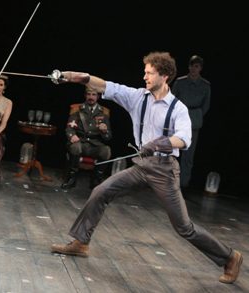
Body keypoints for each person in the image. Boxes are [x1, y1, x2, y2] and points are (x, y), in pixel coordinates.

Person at [49, 52, 242, 284]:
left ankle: (230, 257)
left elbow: (184, 139)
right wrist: (73, 77)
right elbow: (105, 86)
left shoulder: (178, 109)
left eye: (149, 73)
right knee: (101, 192)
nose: (145, 77)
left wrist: (161, 142)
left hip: (164, 170)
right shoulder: (138, 97)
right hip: (141, 167)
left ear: (165, 76)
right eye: (145, 72)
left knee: (184, 227)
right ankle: (80, 242)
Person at [61, 85, 112, 189]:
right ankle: (72, 178)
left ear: (98, 96)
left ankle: (96, 180)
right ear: (85, 95)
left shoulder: (104, 112)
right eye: (89, 94)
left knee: (106, 151)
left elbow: (108, 137)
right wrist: (72, 136)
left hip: (94, 145)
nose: (91, 97)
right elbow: (69, 127)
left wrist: (105, 131)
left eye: (94, 95)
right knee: (75, 147)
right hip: (80, 142)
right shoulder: (77, 109)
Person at [172, 55, 210, 188]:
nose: (194, 69)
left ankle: (182, 184)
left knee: (188, 155)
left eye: (197, 66)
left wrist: (196, 115)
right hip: (178, 118)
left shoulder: (205, 85)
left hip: (194, 121)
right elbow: (172, 99)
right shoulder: (180, 82)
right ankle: (166, 180)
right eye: (192, 66)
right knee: (171, 150)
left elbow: (206, 105)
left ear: (200, 68)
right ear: (189, 67)